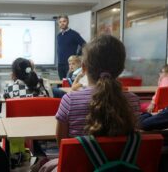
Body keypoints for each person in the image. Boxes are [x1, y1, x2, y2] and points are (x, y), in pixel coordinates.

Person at [36, 35, 140, 172]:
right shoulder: (133, 101)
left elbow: (62, 145)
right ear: (121, 69)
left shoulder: (69, 100)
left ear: (83, 68)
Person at [56, 15, 86, 80]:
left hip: (70, 64)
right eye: (60, 22)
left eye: (64, 21)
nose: (62, 23)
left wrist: (78, 55)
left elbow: (84, 45)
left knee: (69, 84)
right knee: (62, 84)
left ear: (68, 22)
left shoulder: (74, 34)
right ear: (58, 23)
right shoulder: (59, 36)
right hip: (60, 64)